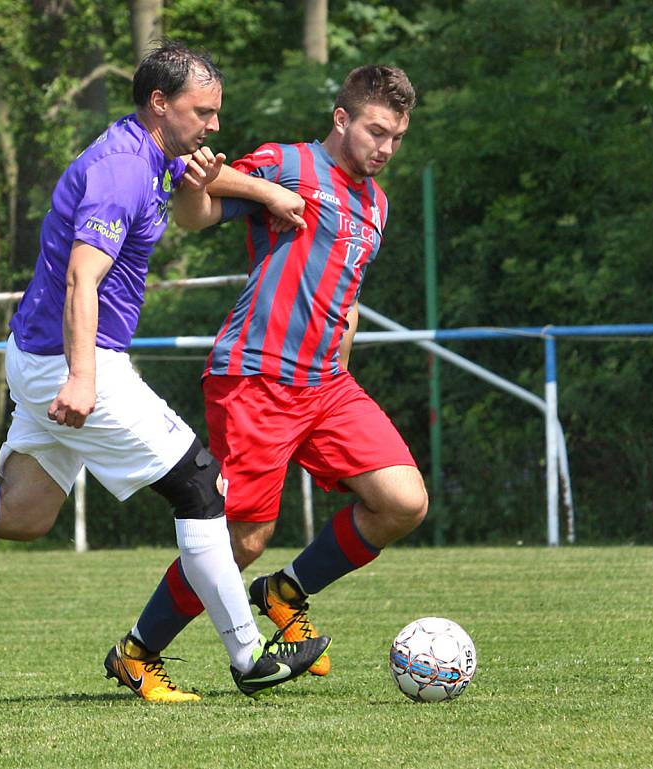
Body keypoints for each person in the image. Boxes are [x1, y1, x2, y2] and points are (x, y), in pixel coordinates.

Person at [0, 40, 329, 701]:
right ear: (159, 103)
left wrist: (264, 190)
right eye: (202, 112)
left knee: (23, 512)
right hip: (72, 357)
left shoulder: (150, 153)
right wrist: (84, 377)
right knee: (201, 483)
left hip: (40, 354)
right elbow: (81, 277)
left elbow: (199, 178)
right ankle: (249, 656)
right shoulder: (123, 169)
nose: (213, 126)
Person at [123, 64, 428, 689]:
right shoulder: (290, 163)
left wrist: (344, 341)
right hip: (256, 378)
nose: (386, 148)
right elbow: (196, 207)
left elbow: (346, 291)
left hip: (327, 384)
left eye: (397, 137)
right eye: (376, 131)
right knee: (242, 540)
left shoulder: (377, 203)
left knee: (403, 502)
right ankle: (136, 651)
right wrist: (268, 193)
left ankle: (287, 593)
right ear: (341, 119)